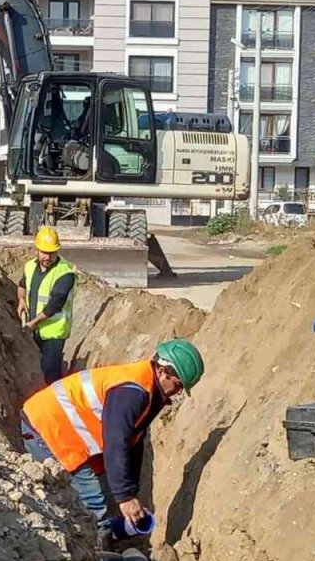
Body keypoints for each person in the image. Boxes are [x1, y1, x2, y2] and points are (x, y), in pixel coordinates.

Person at [19, 339, 205, 539]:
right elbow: (116, 443)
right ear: (162, 371)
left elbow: (134, 440)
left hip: (66, 431)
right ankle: (98, 553)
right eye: (177, 385)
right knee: (92, 501)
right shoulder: (131, 392)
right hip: (47, 427)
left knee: (102, 489)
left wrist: (131, 491)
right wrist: (125, 498)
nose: (177, 393)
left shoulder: (150, 389)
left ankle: (103, 536)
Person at [17, 227, 77, 385]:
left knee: (50, 372)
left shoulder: (65, 273)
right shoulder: (30, 267)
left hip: (53, 334)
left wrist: (32, 323)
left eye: (52, 253)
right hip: (34, 331)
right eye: (44, 252)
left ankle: (55, 397)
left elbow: (55, 304)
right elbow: (22, 284)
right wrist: (21, 300)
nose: (48, 257)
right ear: (37, 250)